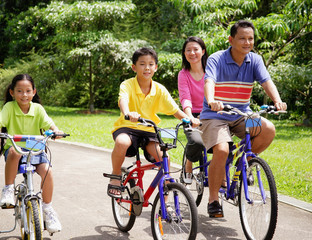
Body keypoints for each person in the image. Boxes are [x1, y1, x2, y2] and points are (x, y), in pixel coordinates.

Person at [199, 20, 287, 218]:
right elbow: (209, 81)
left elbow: (267, 82)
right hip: (215, 115)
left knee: (268, 129)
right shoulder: (216, 58)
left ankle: (244, 161)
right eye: (242, 38)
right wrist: (211, 100)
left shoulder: (254, 60)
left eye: (251, 38)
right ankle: (213, 199)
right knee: (221, 150)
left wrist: (278, 100)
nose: (247, 42)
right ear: (231, 40)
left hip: (242, 114)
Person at [107, 47, 200, 198]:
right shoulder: (127, 85)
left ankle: (166, 200)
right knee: (122, 142)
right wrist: (128, 113)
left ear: (156, 67)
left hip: (149, 130)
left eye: (151, 64)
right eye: (142, 64)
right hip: (127, 127)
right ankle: (116, 175)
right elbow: (122, 100)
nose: (147, 68)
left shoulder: (159, 89)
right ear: (134, 67)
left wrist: (189, 119)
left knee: (164, 158)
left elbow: (174, 110)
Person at [0, 74, 64, 233]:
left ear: (34, 92)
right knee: (15, 152)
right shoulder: (9, 108)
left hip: (35, 149)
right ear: (12, 92)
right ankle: (8, 189)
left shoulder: (38, 109)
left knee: (47, 171)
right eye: (20, 91)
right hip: (15, 149)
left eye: (28, 91)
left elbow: (50, 124)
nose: (24, 95)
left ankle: (48, 209)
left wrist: (56, 131)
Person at [178, 36, 207, 183]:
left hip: (210, 113)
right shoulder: (183, 74)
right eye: (188, 50)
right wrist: (190, 116)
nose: (192, 53)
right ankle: (188, 163)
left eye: (196, 49)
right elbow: (185, 97)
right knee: (197, 142)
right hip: (192, 114)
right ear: (184, 53)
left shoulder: (211, 71)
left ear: (203, 51)